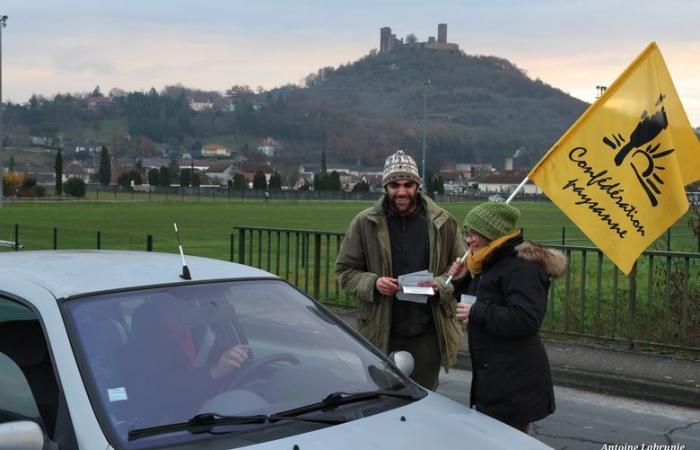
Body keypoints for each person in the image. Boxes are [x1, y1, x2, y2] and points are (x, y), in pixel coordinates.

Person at [335, 149, 465, 390]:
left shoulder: (443, 222)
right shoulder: (364, 223)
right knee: (381, 399)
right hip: (382, 330)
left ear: (418, 186)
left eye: (408, 184)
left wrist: (440, 284)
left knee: (425, 400)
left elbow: (461, 270)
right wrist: (373, 283)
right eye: (395, 185)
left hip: (428, 331)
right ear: (385, 187)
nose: (402, 191)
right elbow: (344, 271)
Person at [448, 201, 566, 433]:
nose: (468, 239)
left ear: (491, 233)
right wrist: (462, 281)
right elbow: (479, 303)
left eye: (473, 233)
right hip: (496, 376)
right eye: (467, 233)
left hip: (515, 381)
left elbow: (526, 319)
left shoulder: (521, 268)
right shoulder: (490, 262)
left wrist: (478, 311)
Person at [128, 295, 250, 423]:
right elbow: (163, 390)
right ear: (162, 312)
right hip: (177, 422)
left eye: (191, 306)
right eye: (180, 307)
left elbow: (231, 361)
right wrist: (214, 371)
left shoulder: (203, 334)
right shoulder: (144, 350)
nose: (190, 311)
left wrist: (235, 357)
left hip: (220, 408)